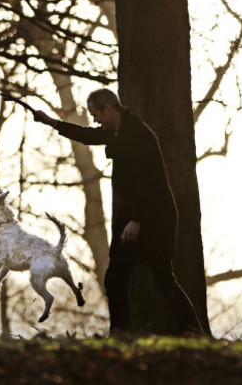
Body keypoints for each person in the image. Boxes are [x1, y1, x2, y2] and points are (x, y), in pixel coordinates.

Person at [32, 88, 203, 335]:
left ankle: (191, 329)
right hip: (134, 213)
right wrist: (51, 122)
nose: (95, 119)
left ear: (109, 109)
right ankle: (121, 333)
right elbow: (87, 135)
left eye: (96, 114)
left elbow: (150, 181)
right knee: (116, 277)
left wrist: (136, 220)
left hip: (155, 215)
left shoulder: (138, 136)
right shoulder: (116, 132)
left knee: (163, 278)